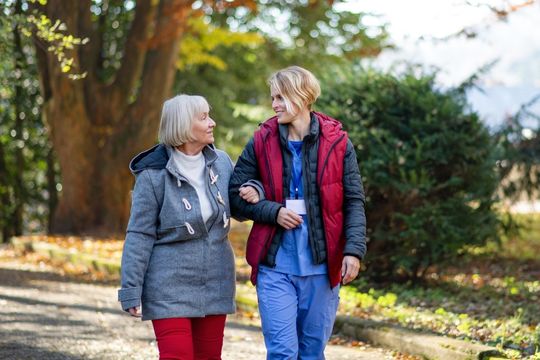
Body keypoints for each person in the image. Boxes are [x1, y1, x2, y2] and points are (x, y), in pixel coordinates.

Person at [229, 66, 367, 359]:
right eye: (273, 98)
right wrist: (272, 211)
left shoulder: (338, 142)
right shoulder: (261, 139)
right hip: (275, 264)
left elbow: (354, 200)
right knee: (282, 352)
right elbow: (234, 197)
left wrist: (353, 251)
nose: (274, 104)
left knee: (312, 352)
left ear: (303, 97)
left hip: (322, 266)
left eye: (281, 97)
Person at [118, 94, 258, 360]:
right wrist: (131, 289)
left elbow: (240, 208)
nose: (212, 123)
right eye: (203, 117)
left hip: (215, 281)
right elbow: (139, 234)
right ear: (183, 125)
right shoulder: (152, 175)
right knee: (177, 355)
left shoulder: (222, 163)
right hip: (168, 285)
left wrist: (255, 190)